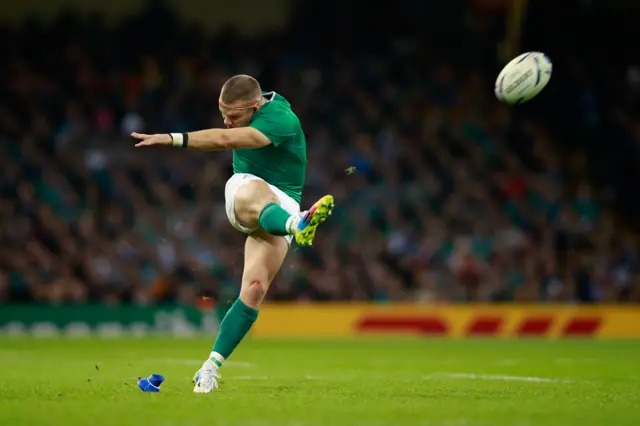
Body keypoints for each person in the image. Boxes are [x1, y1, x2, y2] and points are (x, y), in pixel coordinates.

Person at [131, 74, 334, 393]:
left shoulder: (281, 119)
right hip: (245, 190)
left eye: (234, 116)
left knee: (254, 289)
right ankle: (297, 225)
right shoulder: (251, 115)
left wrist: (171, 138)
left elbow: (225, 141)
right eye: (223, 113)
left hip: (284, 202)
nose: (227, 121)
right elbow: (229, 140)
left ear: (255, 106)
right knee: (258, 192)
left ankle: (208, 369)